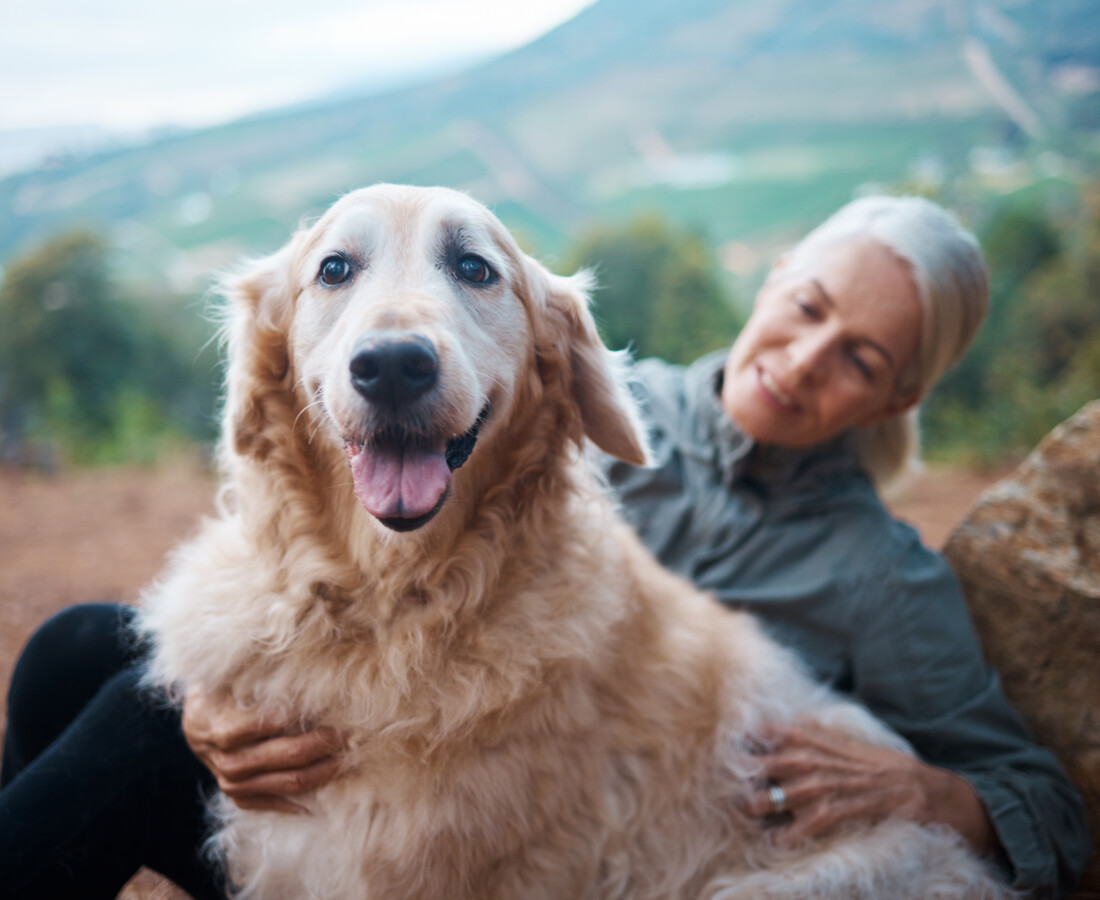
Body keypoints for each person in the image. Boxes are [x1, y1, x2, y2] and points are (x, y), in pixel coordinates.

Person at [1, 196, 1090, 898]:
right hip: (388, 792)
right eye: (803, 306)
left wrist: (926, 794)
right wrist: (208, 712)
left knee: (128, 733)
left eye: (855, 357)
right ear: (769, 285)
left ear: (897, 393)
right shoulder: (591, 410)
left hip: (570, 841)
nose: (802, 361)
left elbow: (1036, 798)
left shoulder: (877, 573)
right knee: (80, 653)